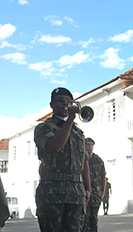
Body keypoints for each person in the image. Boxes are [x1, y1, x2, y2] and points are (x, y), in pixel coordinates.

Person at [34, 87, 91, 232]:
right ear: (52, 105)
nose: (65, 104)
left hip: (76, 192)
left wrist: (88, 189)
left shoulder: (78, 132)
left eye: (68, 101)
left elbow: (84, 161)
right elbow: (54, 147)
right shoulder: (43, 127)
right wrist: (70, 120)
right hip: (52, 192)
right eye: (61, 100)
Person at [83, 138, 106, 232]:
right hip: (84, 195)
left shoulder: (98, 160)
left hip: (95, 195)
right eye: (88, 144)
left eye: (92, 145)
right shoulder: (81, 159)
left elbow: (103, 177)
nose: (90, 147)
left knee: (94, 220)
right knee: (84, 221)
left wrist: (102, 192)